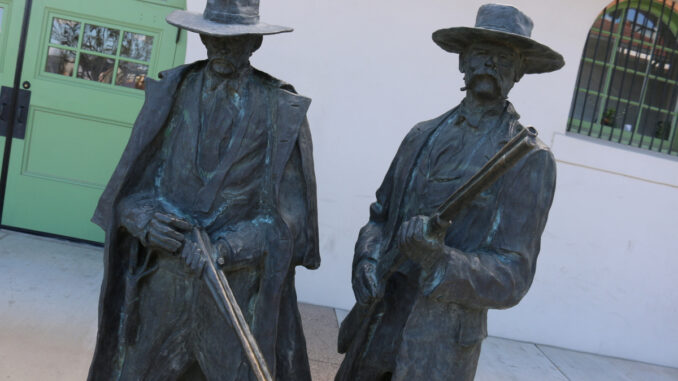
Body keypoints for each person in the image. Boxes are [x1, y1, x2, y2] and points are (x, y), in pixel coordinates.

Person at [87, 1, 319, 379]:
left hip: (231, 296)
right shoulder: (170, 93)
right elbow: (125, 194)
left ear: (255, 43)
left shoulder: (280, 109)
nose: (220, 49)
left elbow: (287, 226)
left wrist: (225, 249)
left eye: (234, 41)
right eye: (213, 38)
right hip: (163, 290)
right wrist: (145, 220)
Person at [336, 4, 564, 381]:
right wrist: (366, 261)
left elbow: (513, 274)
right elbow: (380, 216)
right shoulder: (420, 135)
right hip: (377, 322)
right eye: (480, 53)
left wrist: (440, 260)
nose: (489, 64)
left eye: (503, 57)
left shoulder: (529, 159)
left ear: (519, 71)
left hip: (440, 343)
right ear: (462, 61)